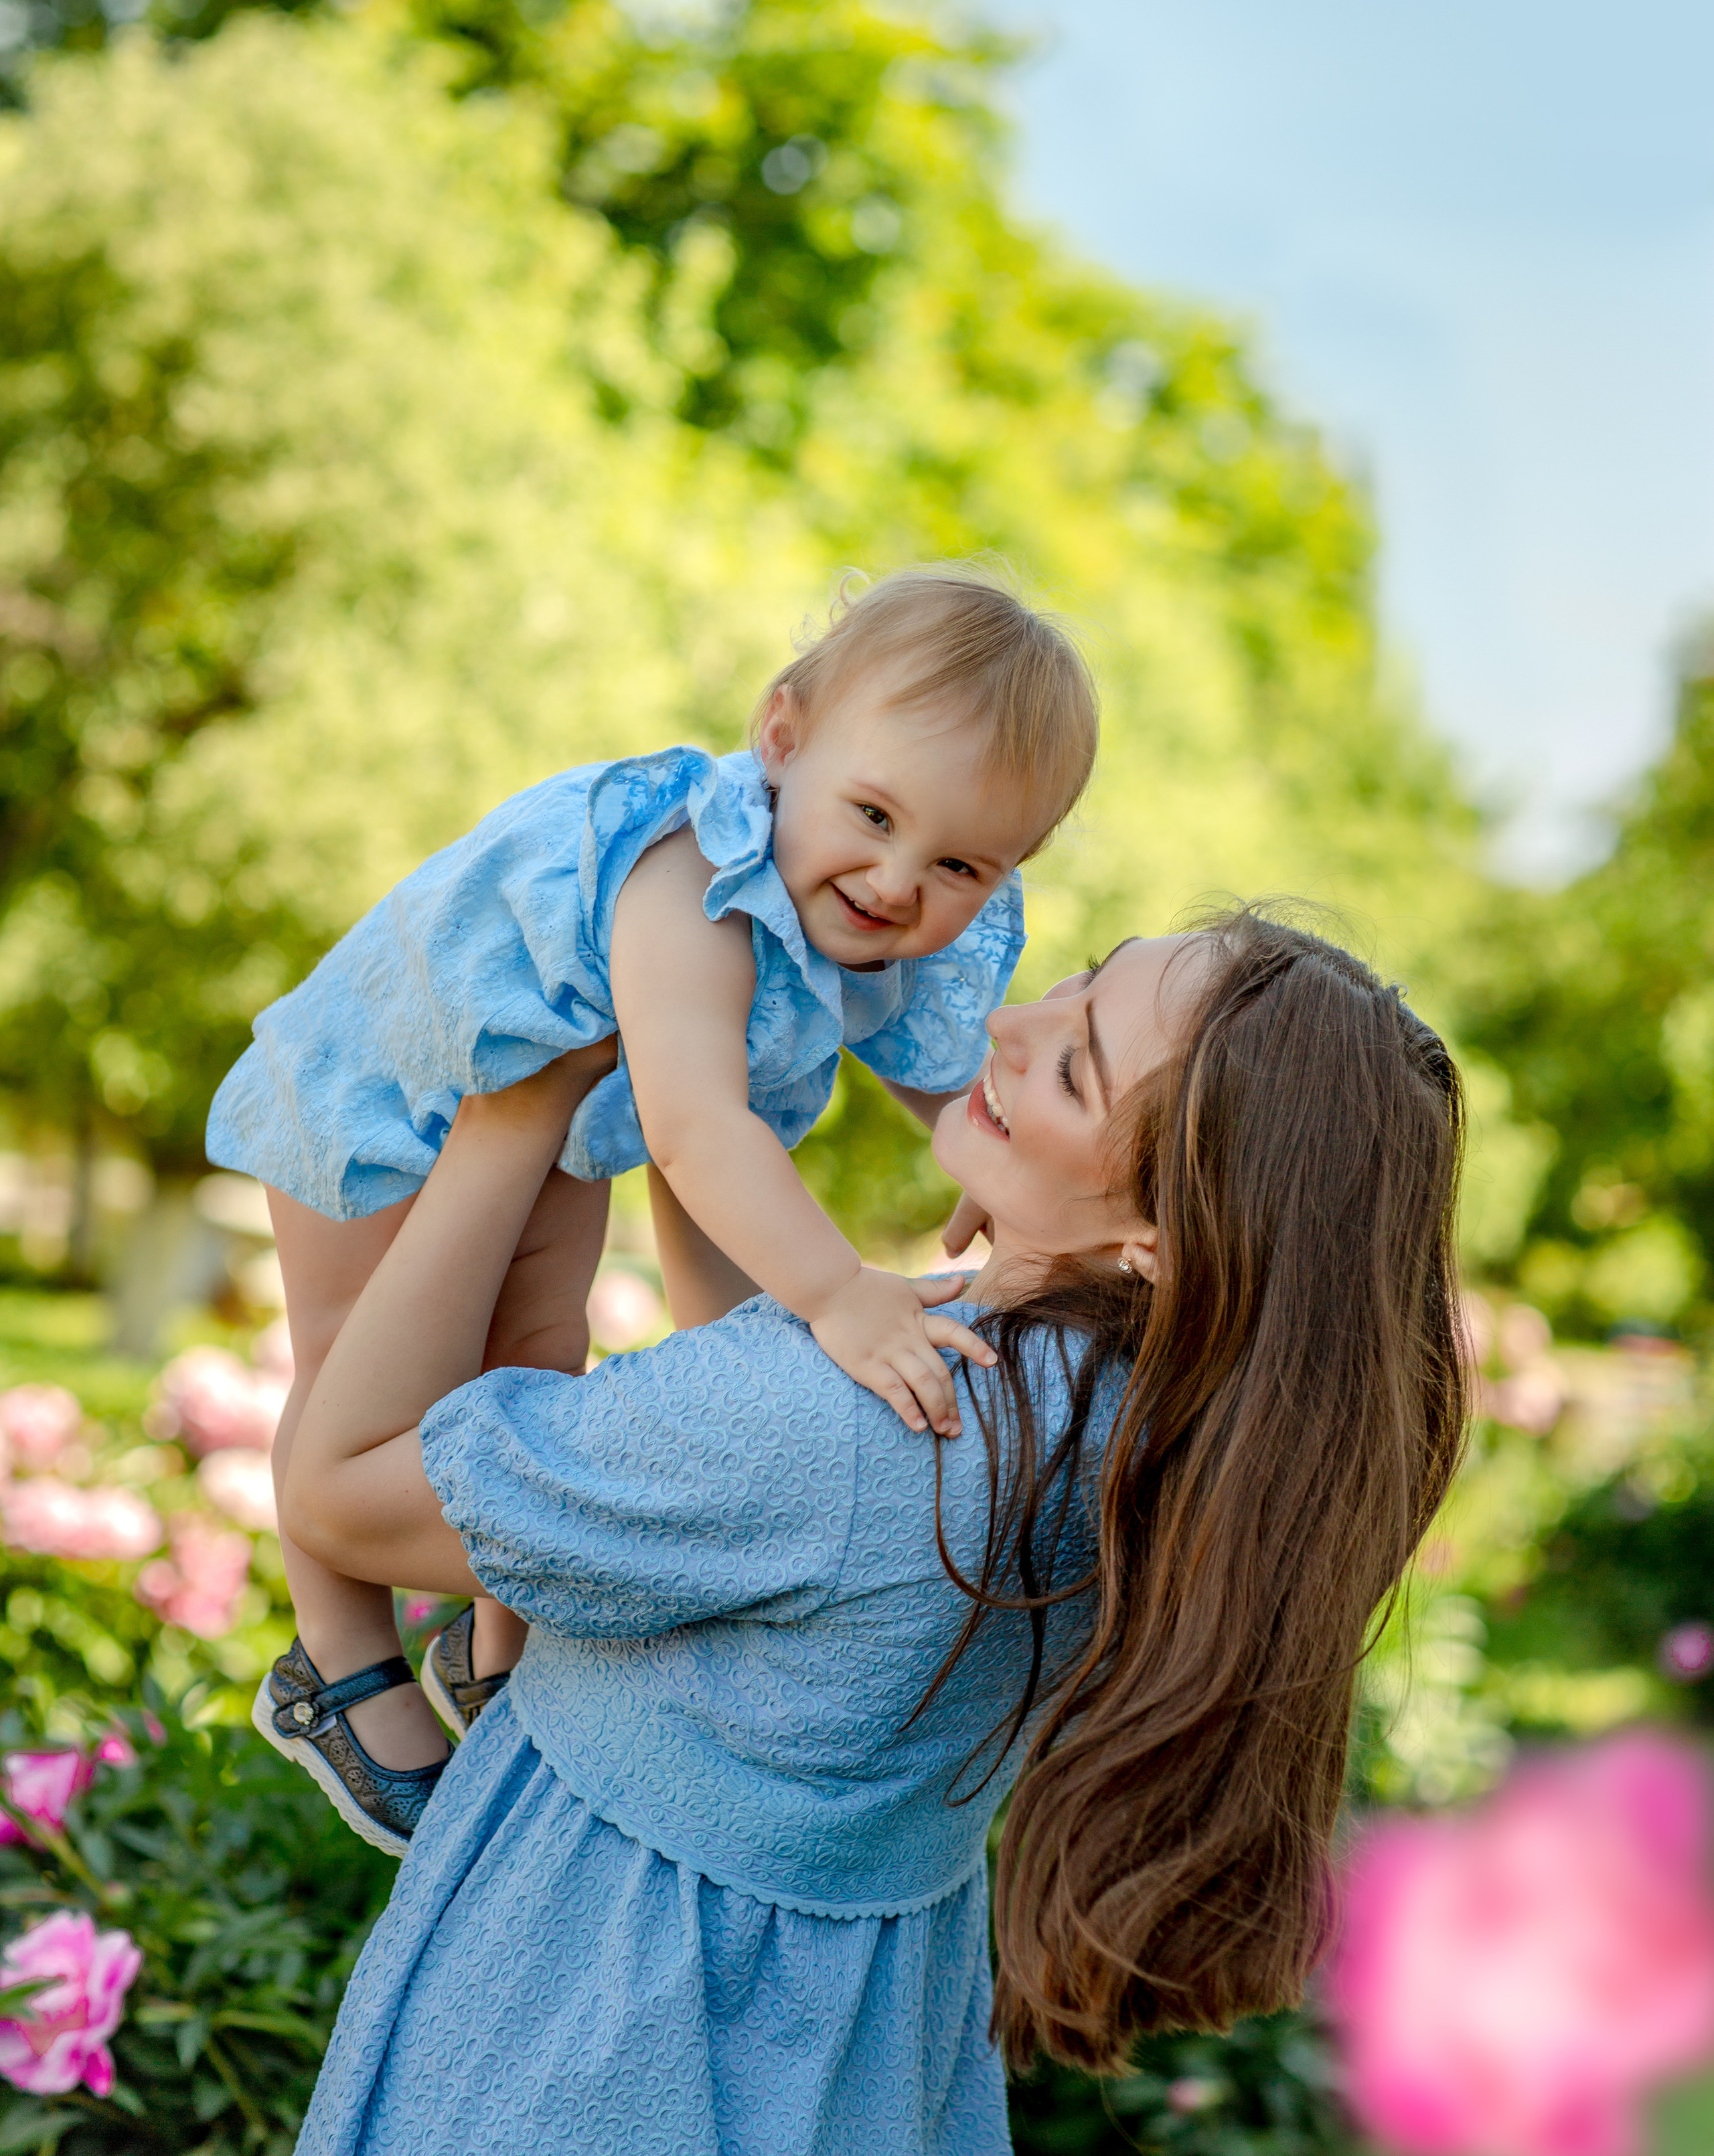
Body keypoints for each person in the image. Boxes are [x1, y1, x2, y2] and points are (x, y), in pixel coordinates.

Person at [284, 910, 1468, 2156]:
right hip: (845, 2069)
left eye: (1074, 1069)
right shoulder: (1143, 1431)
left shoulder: (868, 1423)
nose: (1009, 1024)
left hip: (583, 2041)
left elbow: (343, 1493)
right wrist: (712, 1107)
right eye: (1079, 981)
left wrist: (515, 1114)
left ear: (1162, 1238)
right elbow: (762, 1469)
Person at [208, 570, 1099, 1849]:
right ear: (782, 739)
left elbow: (938, 1072)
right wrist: (839, 1293)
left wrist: (998, 1160)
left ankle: (492, 1649)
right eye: (873, 814)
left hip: (550, 1113)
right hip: (387, 1077)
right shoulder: (693, 878)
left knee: (536, 1357)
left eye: (957, 863)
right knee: (358, 1359)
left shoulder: (870, 905)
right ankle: (337, 1664)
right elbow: (696, 1129)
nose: (898, 880)